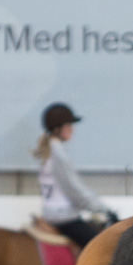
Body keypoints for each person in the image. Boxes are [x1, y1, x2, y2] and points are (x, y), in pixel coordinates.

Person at [34, 103, 115, 248]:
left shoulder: (47, 149)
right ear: (57, 129)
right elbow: (74, 189)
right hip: (63, 216)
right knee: (100, 247)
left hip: (52, 213)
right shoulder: (58, 153)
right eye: (68, 125)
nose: (72, 129)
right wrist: (103, 209)